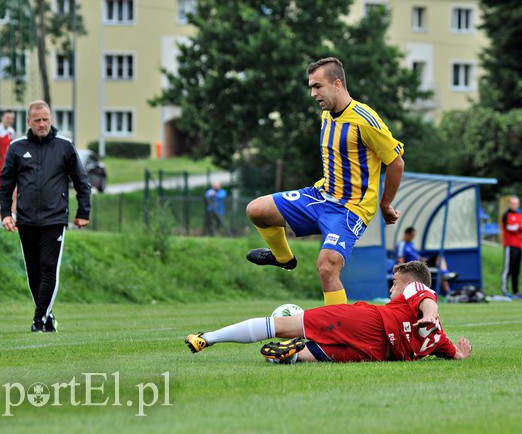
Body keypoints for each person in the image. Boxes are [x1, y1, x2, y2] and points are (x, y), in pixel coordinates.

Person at [245, 57, 405, 306]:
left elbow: (396, 162)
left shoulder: (365, 120)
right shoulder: (327, 115)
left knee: (327, 267)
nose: (312, 93)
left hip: (350, 209)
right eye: (311, 86)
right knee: (256, 210)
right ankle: (284, 259)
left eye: (317, 86)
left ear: (337, 84)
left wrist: (385, 205)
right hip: (320, 196)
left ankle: (337, 339)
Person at [185, 261, 471, 363]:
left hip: (368, 322)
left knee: (284, 324)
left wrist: (431, 314)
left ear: (408, 282)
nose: (391, 290)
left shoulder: (417, 291)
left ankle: (207, 338)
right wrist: (460, 353)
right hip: (377, 354)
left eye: (394, 283)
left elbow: (427, 300)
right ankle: (290, 355)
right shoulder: (439, 337)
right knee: (312, 355)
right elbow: (453, 354)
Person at [0, 100, 92, 333]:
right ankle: (48, 316)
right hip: (26, 220)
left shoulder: (65, 146)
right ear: (29, 121)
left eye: (46, 119)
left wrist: (83, 213)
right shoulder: (16, 147)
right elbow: (6, 183)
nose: (42, 124)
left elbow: (82, 183)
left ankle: (38, 319)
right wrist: (5, 213)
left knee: (49, 268)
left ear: (51, 119)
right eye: (37, 120)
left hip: (55, 220)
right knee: (34, 273)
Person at [395, 226, 455, 295]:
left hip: (420, 262)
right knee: (439, 260)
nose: (413, 238)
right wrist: (403, 270)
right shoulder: (402, 244)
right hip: (414, 265)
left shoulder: (411, 244)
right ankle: (446, 275)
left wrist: (422, 259)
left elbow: (415, 256)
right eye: (412, 236)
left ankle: (447, 284)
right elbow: (400, 258)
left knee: (439, 258)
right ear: (407, 234)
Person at [500, 195, 522, 300]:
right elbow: (510, 227)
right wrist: (519, 226)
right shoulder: (506, 215)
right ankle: (505, 290)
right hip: (510, 245)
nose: (514, 205)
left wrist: (519, 226)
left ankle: (516, 292)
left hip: (518, 245)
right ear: (509, 204)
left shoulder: (520, 215)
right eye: (512, 203)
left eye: (516, 203)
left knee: (516, 270)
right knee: (508, 269)